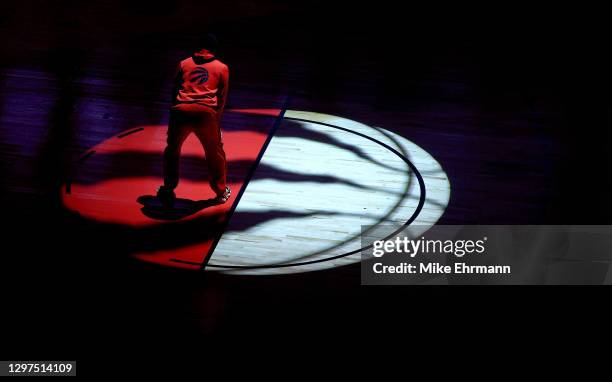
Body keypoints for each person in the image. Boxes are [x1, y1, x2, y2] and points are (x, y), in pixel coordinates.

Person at [157, 34, 231, 207]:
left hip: (180, 111)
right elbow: (222, 98)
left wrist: (175, 110)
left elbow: (174, 90)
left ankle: (168, 188)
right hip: (205, 114)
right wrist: (216, 123)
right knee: (215, 153)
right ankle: (220, 192)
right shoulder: (222, 68)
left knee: (172, 150)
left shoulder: (184, 63)